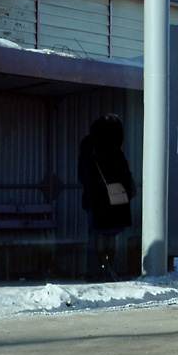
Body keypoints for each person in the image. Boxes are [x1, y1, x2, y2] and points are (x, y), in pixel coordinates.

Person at [77, 114, 135, 281]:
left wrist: (101, 185)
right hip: (114, 200)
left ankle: (97, 271)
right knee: (111, 236)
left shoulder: (90, 147)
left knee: (98, 235)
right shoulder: (116, 149)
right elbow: (125, 175)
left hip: (96, 199)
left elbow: (83, 175)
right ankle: (110, 270)